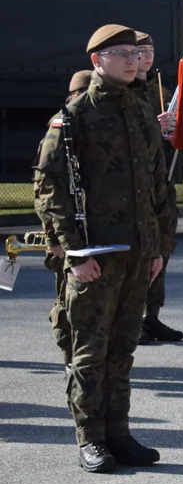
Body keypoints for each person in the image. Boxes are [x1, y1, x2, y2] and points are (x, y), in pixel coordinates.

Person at [33, 24, 171, 473]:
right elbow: (48, 186)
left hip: (137, 251)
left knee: (122, 348)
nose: (133, 60)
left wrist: (157, 248)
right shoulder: (75, 116)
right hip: (95, 253)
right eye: (121, 54)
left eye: (135, 52)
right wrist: (73, 252)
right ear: (97, 61)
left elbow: (157, 186)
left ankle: (119, 433)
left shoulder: (140, 111)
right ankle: (90, 438)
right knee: (89, 350)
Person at [36, 70, 93, 376]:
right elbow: (45, 193)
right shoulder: (61, 129)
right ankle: (69, 354)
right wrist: (53, 239)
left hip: (89, 232)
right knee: (66, 301)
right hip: (64, 233)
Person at [130, 31, 183, 343]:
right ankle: (133, 318)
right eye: (139, 50)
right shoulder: (124, 92)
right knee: (140, 253)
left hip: (163, 183)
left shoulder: (163, 90)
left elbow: (180, 141)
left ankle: (153, 316)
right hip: (138, 186)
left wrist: (176, 131)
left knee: (162, 249)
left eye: (150, 49)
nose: (146, 56)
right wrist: (154, 126)